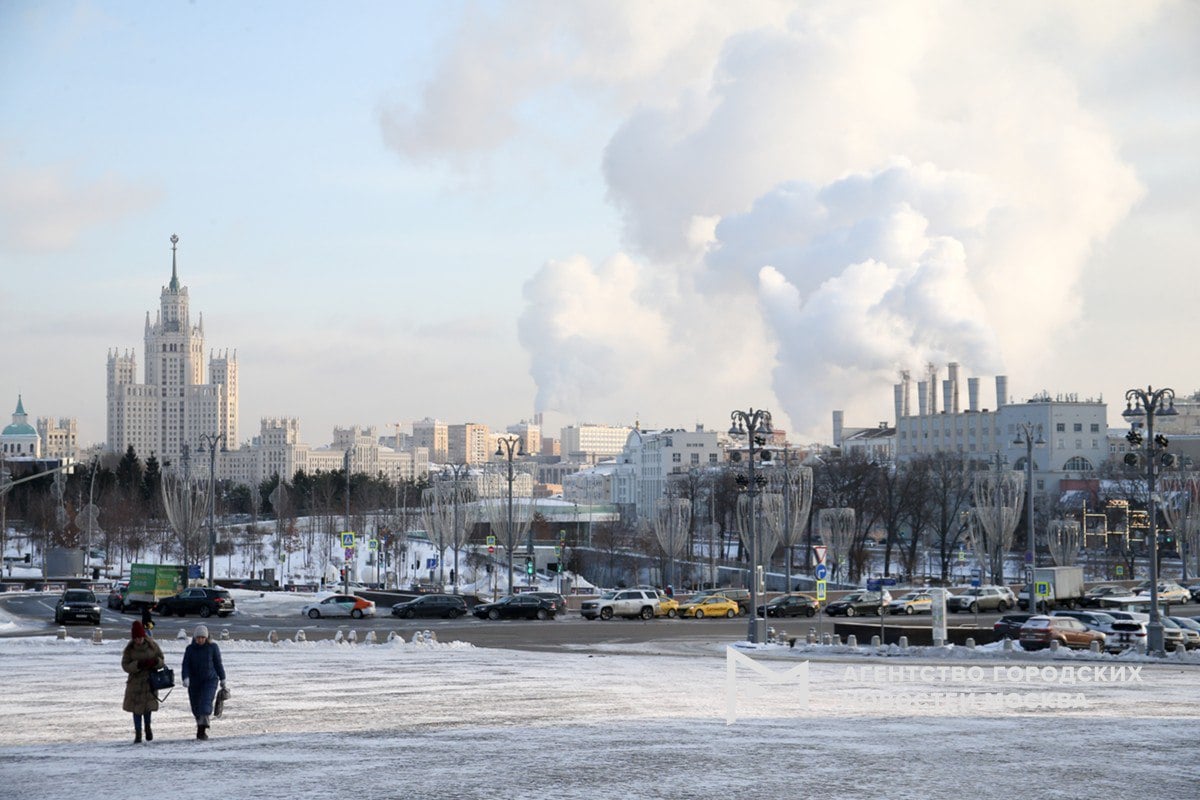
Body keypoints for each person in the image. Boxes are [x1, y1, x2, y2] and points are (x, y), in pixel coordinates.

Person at [181, 624, 226, 740]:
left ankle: (202, 731)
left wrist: (223, 678)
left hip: (209, 680)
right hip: (194, 682)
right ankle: (200, 725)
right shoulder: (190, 649)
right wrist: (185, 677)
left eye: (202, 637)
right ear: (195, 638)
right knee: (195, 706)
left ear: (206, 638)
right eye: (198, 637)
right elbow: (185, 664)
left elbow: (218, 664)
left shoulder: (213, 648)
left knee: (205, 704)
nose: (200, 640)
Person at [121, 620, 164, 743]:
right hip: (135, 683)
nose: (138, 640)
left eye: (140, 637)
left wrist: (155, 663)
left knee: (148, 708)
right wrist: (138, 665)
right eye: (136, 638)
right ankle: (138, 733)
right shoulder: (129, 650)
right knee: (136, 710)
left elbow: (161, 659)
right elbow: (125, 665)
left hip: (150, 682)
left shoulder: (152, 646)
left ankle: (148, 727)